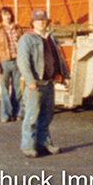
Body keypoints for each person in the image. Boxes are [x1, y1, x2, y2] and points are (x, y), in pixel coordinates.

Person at [17, 9, 69, 158]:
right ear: (32, 22)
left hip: (48, 83)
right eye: (38, 20)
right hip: (35, 84)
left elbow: (58, 57)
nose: (41, 22)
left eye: (43, 20)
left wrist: (65, 75)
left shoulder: (50, 37)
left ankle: (44, 143)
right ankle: (28, 146)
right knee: (32, 116)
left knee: (47, 116)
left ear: (47, 22)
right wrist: (29, 80)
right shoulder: (26, 39)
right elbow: (23, 62)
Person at [0, 7, 24, 123]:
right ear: (1, 16)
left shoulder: (18, 28)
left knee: (18, 88)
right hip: (4, 62)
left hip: (17, 61)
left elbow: (23, 44)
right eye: (4, 14)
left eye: (9, 14)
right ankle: (5, 114)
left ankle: (18, 112)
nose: (7, 17)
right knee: (4, 89)